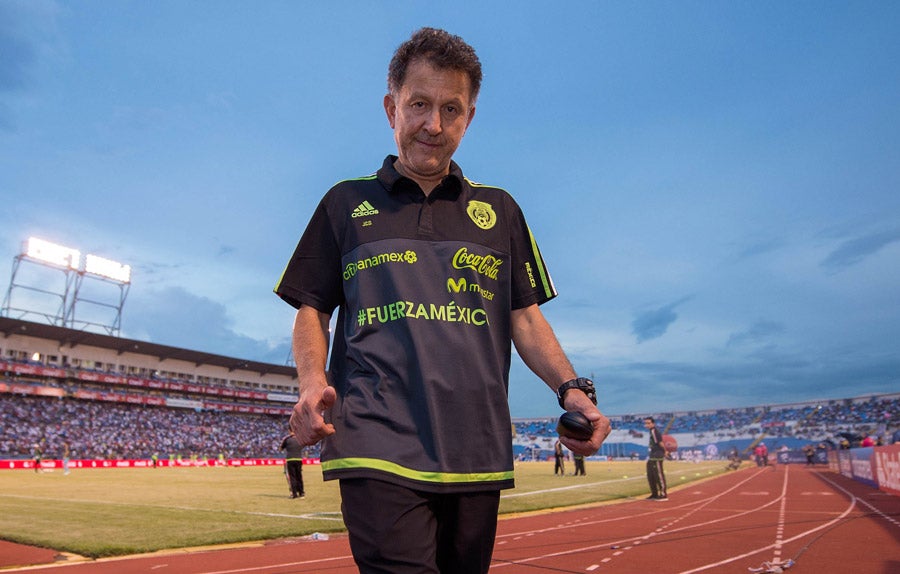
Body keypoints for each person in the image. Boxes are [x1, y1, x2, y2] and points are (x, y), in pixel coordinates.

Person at [274, 27, 611, 573]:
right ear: (391, 107)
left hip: (475, 448)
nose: (433, 125)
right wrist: (312, 384)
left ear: (469, 117)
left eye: (450, 109)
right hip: (374, 441)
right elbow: (311, 307)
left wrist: (571, 389)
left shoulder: (500, 211)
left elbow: (523, 315)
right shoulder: (344, 203)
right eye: (419, 105)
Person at [643, 417, 667, 500]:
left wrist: (665, 451)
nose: (647, 425)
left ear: (653, 424)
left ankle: (663, 494)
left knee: (658, 475)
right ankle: (654, 493)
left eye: (648, 423)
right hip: (652, 456)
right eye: (645, 423)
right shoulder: (651, 431)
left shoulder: (654, 431)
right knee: (651, 475)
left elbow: (660, 443)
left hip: (657, 455)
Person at [280, 432, 305, 499]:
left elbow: (281, 448)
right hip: (299, 459)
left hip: (290, 459)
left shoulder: (287, 439)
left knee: (292, 477)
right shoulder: (300, 439)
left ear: (289, 431)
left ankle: (294, 494)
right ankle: (301, 493)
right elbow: (303, 446)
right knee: (299, 476)